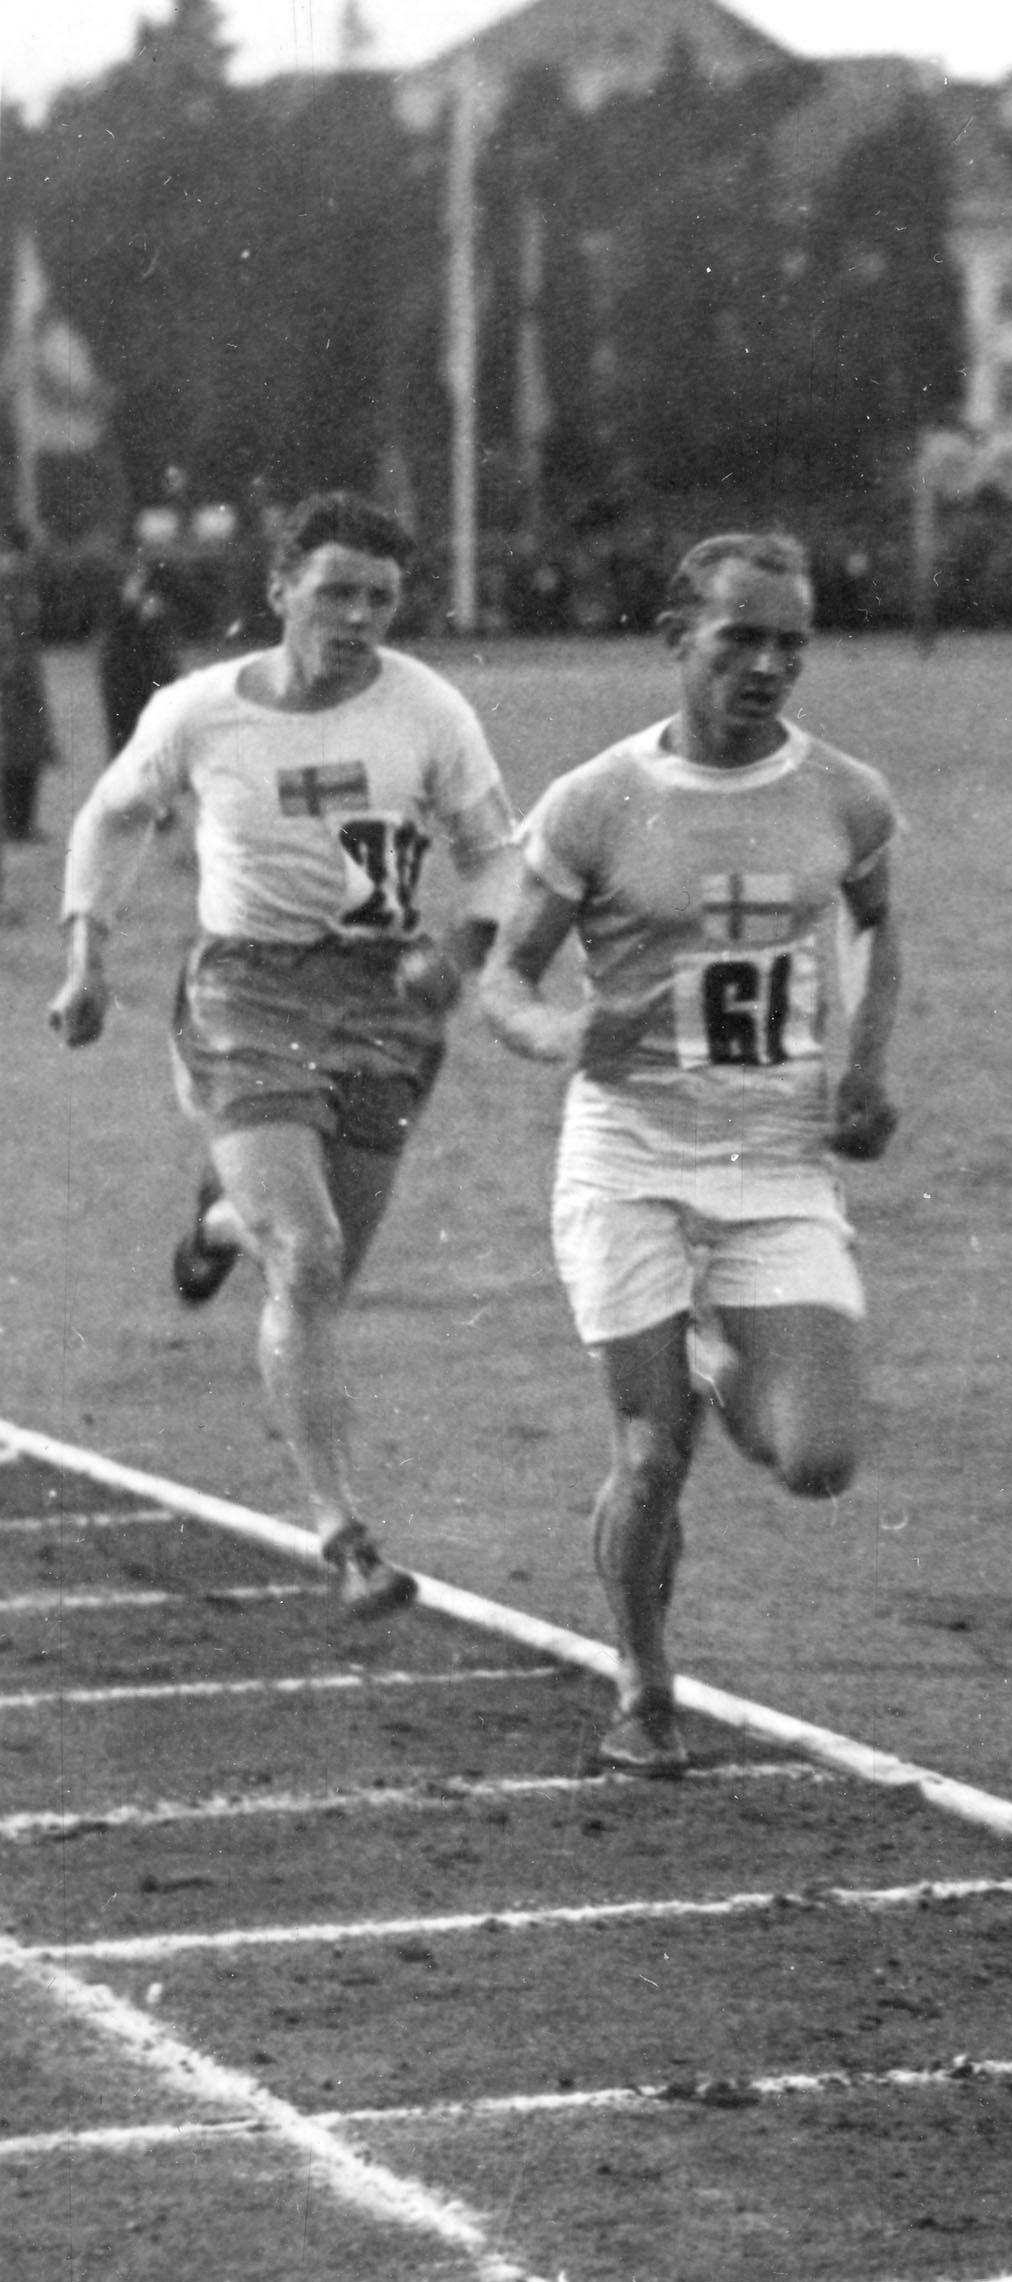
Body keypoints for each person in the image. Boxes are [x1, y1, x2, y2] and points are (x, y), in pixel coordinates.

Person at [477, 532, 902, 1779]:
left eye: (791, 645)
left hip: (776, 1159)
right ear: (678, 640)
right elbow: (504, 976)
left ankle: (715, 1359)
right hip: (631, 1156)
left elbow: (879, 925)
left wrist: (866, 1064)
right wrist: (565, 1029)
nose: (768, 666)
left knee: (816, 1459)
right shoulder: (598, 801)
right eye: (741, 639)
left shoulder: (846, 796)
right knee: (650, 1451)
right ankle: (643, 1685)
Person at [50, 491, 516, 1618]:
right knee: (303, 1259)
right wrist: (87, 955)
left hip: (387, 1004)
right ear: (280, 593)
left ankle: (217, 1223)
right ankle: (345, 1535)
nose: (359, 617)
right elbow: (113, 816)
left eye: (382, 598)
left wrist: (460, 949)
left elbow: (497, 852)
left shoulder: (429, 712)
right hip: (246, 992)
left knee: (323, 1267)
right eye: (337, 592)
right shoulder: (200, 713)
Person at [0, 522, 55, 870]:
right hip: (12, 675)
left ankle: (21, 823)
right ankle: (15, 824)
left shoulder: (20, 580)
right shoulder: (11, 582)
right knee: (16, 750)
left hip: (24, 672)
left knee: (27, 751)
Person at [98, 550, 186, 758]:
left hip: (152, 671)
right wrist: (130, 606)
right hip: (124, 674)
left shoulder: (164, 579)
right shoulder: (112, 581)